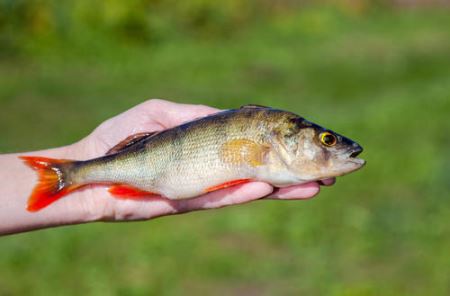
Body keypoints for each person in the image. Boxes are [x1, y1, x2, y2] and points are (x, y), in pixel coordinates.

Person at [0, 99, 335, 235]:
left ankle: (73, 172)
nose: (331, 146)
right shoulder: (271, 138)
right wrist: (84, 157)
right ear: (289, 137)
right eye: (326, 141)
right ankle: (69, 173)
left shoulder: (276, 154)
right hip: (147, 168)